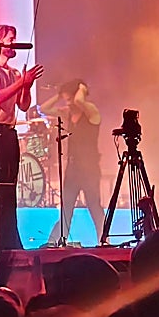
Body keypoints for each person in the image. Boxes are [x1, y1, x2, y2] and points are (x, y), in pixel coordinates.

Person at [0, 24, 44, 259]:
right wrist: (21, 83)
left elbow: (23, 105)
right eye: (10, 38)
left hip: (9, 132)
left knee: (9, 187)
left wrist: (27, 85)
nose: (14, 43)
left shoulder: (13, 72)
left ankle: (11, 237)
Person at [40, 79, 105, 245]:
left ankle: (104, 239)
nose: (69, 102)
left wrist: (82, 89)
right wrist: (59, 94)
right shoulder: (68, 113)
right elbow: (44, 108)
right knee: (66, 207)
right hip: (73, 168)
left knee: (94, 206)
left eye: (70, 98)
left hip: (89, 168)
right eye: (66, 99)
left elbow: (79, 101)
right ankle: (55, 240)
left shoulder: (91, 111)